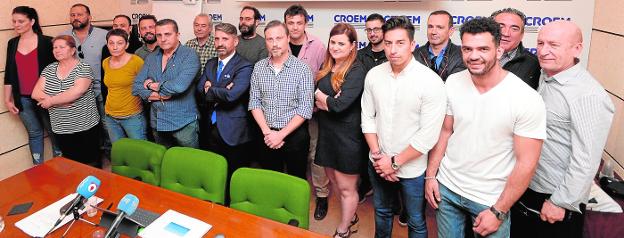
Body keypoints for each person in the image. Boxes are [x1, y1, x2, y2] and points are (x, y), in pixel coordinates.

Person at [425, 17, 546, 237]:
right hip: (448, 189)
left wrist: (499, 211)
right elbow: (445, 131)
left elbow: (527, 163)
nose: (473, 56)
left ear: (499, 51)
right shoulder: (453, 82)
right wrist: (431, 176)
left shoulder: (526, 98)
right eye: (467, 49)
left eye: (483, 49)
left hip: (490, 199)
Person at [510, 20, 615, 238]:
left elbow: (586, 159)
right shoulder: (547, 76)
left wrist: (561, 201)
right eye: (540, 43)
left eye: (554, 45)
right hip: (529, 189)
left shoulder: (587, 94)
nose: (544, 51)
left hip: (554, 198)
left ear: (577, 49)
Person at [361, 16, 447, 238]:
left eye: (400, 43)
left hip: (412, 169)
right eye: (388, 43)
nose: (393, 50)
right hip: (378, 161)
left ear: (412, 45)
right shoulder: (374, 75)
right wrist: (380, 157)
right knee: (381, 212)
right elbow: (367, 118)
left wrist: (394, 162)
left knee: (416, 221)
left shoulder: (430, 81)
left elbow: (428, 136)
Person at [314, 23, 366, 238]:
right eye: (333, 42)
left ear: (353, 46)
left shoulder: (356, 70)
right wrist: (326, 100)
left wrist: (322, 97)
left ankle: (343, 230)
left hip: (347, 138)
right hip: (327, 133)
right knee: (333, 181)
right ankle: (349, 213)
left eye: (341, 43)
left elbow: (340, 105)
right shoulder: (328, 66)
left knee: (347, 189)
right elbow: (317, 99)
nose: (335, 47)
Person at [248, 20, 314, 181]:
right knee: (271, 181)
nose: (274, 43)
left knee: (296, 181)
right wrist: (267, 132)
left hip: (294, 136)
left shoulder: (302, 69)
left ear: (288, 38)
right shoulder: (259, 67)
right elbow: (254, 102)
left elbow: (305, 108)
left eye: (279, 38)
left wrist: (281, 135)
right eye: (270, 39)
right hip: (266, 135)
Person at [197, 23, 254, 204]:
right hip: (211, 127)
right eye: (217, 38)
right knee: (214, 172)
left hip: (234, 130)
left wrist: (211, 88)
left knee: (234, 176)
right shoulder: (211, 63)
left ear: (235, 41)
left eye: (225, 39)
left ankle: (231, 209)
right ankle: (216, 205)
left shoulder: (245, 65)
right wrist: (220, 89)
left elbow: (233, 95)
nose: (220, 43)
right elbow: (200, 90)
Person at [284, 4, 330, 220]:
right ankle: (294, 190)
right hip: (285, 111)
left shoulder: (317, 45)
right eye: (291, 23)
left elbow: (325, 75)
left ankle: (322, 195)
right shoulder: (279, 43)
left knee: (314, 154)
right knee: (291, 152)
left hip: (310, 111)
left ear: (305, 24)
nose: (294, 27)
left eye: (299, 23)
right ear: (286, 24)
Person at [31, 35, 101, 167]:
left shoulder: (83, 68)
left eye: (61, 47)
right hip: (61, 128)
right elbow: (35, 93)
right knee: (71, 166)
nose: (57, 50)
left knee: (91, 166)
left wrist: (51, 101)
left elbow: (76, 92)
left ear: (73, 50)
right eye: (54, 48)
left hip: (85, 127)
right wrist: (61, 100)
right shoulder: (49, 69)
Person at [4, 6, 61, 164]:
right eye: (14, 21)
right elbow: (9, 72)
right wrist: (8, 100)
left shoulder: (47, 42)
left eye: (21, 21)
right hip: (22, 99)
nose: (16, 24)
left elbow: (58, 71)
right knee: (34, 133)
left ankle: (61, 167)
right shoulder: (12, 43)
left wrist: (56, 97)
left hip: (45, 97)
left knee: (54, 132)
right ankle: (38, 170)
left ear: (32, 21)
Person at [133, 19, 200, 148]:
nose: (163, 39)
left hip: (183, 122)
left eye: (167, 34)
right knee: (163, 160)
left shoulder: (189, 55)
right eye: (159, 35)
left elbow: (179, 86)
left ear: (178, 35)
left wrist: (150, 85)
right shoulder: (152, 57)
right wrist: (162, 95)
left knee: (189, 162)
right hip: (157, 122)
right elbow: (136, 86)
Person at [60, 3, 110, 159]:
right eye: (73, 15)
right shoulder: (64, 37)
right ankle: (92, 157)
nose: (76, 18)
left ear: (89, 17)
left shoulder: (104, 35)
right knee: (86, 127)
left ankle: (110, 154)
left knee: (106, 124)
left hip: (101, 88)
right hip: (77, 92)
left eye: (80, 14)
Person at [102, 29, 146, 143]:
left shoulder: (136, 61)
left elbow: (145, 85)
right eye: (111, 43)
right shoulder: (106, 62)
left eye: (119, 43)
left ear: (126, 45)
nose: (115, 47)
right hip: (110, 116)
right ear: (107, 45)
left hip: (132, 116)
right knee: (118, 151)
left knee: (139, 151)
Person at [491, 8, 541, 89]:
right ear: (488, 29)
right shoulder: (468, 56)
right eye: (500, 26)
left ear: (522, 35)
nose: (506, 33)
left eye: (514, 29)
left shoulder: (535, 65)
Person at [413, 10, 465, 81]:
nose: (433, 32)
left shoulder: (462, 55)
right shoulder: (414, 55)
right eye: (430, 27)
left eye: (439, 27)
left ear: (451, 31)